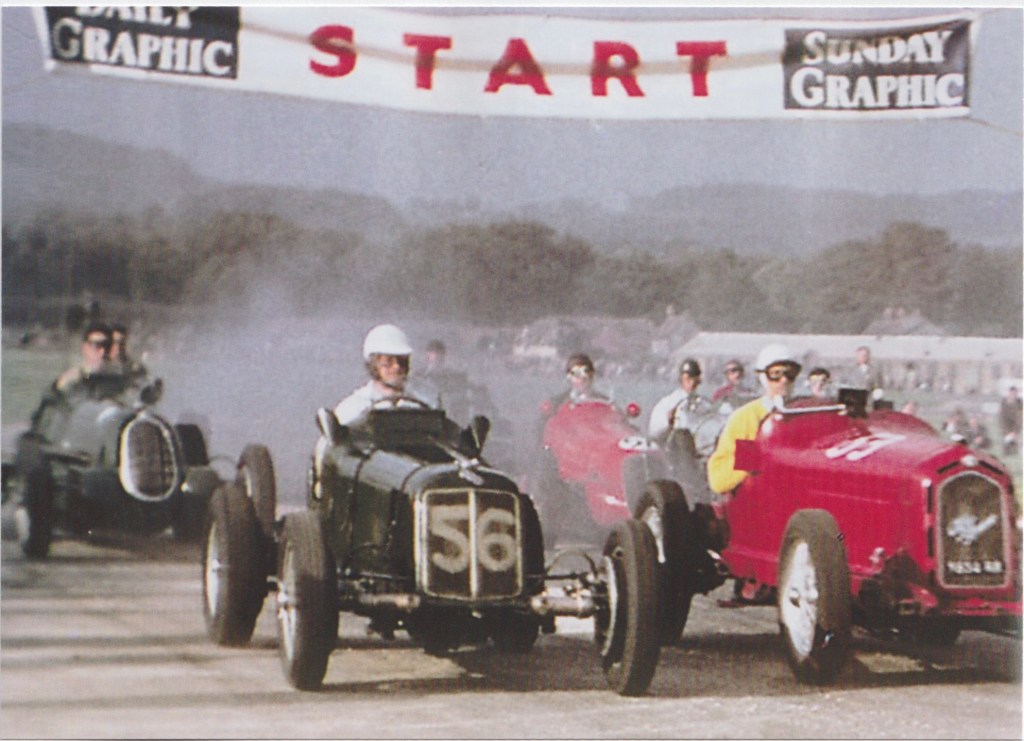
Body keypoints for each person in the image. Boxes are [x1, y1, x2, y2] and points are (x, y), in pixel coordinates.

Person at [707, 343, 801, 495]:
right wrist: (761, 455)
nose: (784, 380)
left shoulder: (804, 413)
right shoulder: (746, 418)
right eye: (775, 374)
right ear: (763, 376)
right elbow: (719, 479)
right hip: (760, 497)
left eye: (790, 373)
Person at [333, 324, 437, 425]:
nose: (397, 366)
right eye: (388, 361)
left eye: (402, 360)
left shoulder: (426, 401)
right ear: (373, 365)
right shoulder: (354, 408)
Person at [648, 358, 710, 443]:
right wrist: (668, 422)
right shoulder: (668, 402)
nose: (691, 383)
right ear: (681, 379)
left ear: (698, 381)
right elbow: (654, 432)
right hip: (673, 446)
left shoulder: (703, 404)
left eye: (693, 378)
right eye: (687, 379)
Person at [53, 321, 113, 394]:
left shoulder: (115, 381)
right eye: (96, 345)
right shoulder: (68, 380)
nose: (102, 351)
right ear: (84, 347)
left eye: (106, 346)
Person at [999, 386, 1022, 455]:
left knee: (1015, 448)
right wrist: (1007, 431)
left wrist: (1015, 431)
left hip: (1016, 429)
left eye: (1015, 394)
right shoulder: (1004, 403)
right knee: (1007, 444)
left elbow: (1019, 419)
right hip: (1006, 429)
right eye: (1012, 393)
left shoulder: (1020, 404)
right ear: (1009, 393)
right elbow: (1002, 418)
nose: (1013, 395)